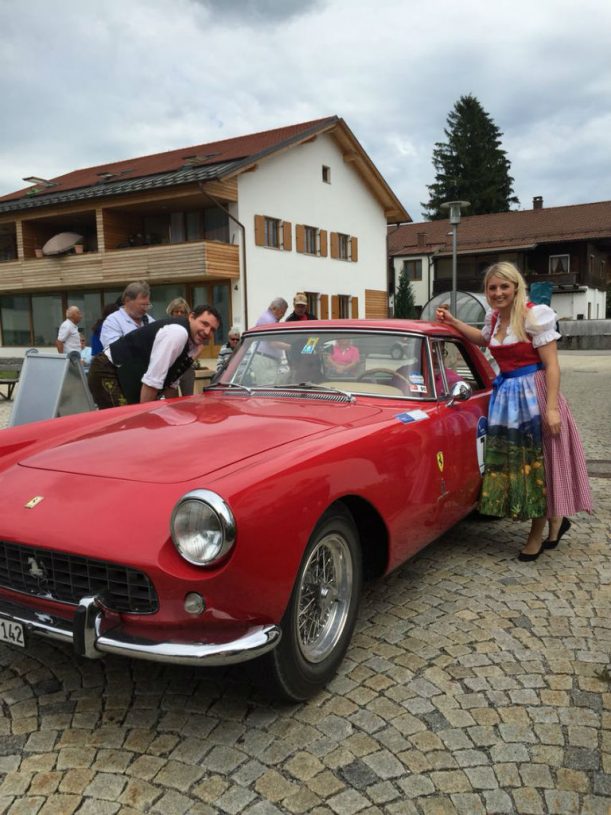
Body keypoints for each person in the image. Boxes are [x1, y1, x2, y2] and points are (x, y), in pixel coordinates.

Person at [436, 262, 592, 561]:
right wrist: (454, 322)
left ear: (516, 287)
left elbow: (552, 365)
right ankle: (555, 522)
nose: (498, 293)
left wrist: (551, 408)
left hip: (535, 394)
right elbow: (483, 340)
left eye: (504, 286)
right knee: (521, 463)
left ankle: (538, 532)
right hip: (507, 397)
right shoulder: (494, 318)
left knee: (539, 464)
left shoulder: (534, 315)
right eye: (492, 288)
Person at [88, 305, 221, 409]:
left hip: (123, 374)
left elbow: (171, 385)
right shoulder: (178, 333)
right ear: (191, 317)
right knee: (124, 425)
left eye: (213, 330)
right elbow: (152, 382)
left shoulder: (192, 345)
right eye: (204, 324)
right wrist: (145, 420)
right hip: (107, 370)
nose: (207, 332)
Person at [100, 281, 154, 347]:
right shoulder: (112, 321)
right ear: (127, 301)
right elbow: (114, 349)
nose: (146, 309)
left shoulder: (150, 320)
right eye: (142, 305)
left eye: (147, 305)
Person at [166, 297, 196, 395]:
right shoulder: (165, 327)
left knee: (188, 400)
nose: (179, 314)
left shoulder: (191, 328)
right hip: (170, 369)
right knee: (171, 403)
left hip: (186, 368)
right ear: (171, 312)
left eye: (182, 312)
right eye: (176, 311)